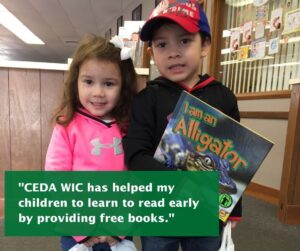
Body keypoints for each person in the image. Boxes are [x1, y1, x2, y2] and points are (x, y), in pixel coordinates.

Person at [123, 1, 242, 250]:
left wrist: (232, 209)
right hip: (159, 209)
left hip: (205, 211)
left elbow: (235, 160)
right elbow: (135, 155)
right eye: (162, 44)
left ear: (205, 45)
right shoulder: (147, 99)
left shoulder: (223, 97)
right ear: (151, 52)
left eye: (184, 41)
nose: (173, 52)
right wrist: (176, 179)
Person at [45, 35, 137, 251]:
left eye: (109, 83)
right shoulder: (67, 126)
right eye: (88, 82)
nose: (98, 92)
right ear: (76, 81)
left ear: (122, 86)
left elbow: (135, 181)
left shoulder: (128, 126)